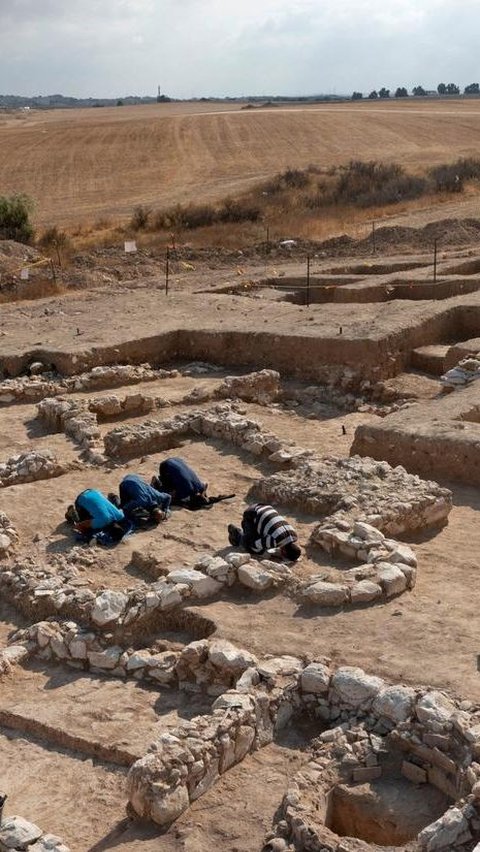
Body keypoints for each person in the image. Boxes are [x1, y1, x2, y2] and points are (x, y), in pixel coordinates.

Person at [228, 503, 301, 561]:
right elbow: (254, 545)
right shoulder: (274, 541)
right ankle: (237, 534)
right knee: (249, 546)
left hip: (264, 507)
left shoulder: (294, 536)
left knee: (261, 537)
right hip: (251, 515)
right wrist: (266, 554)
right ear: (284, 552)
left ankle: (247, 532)